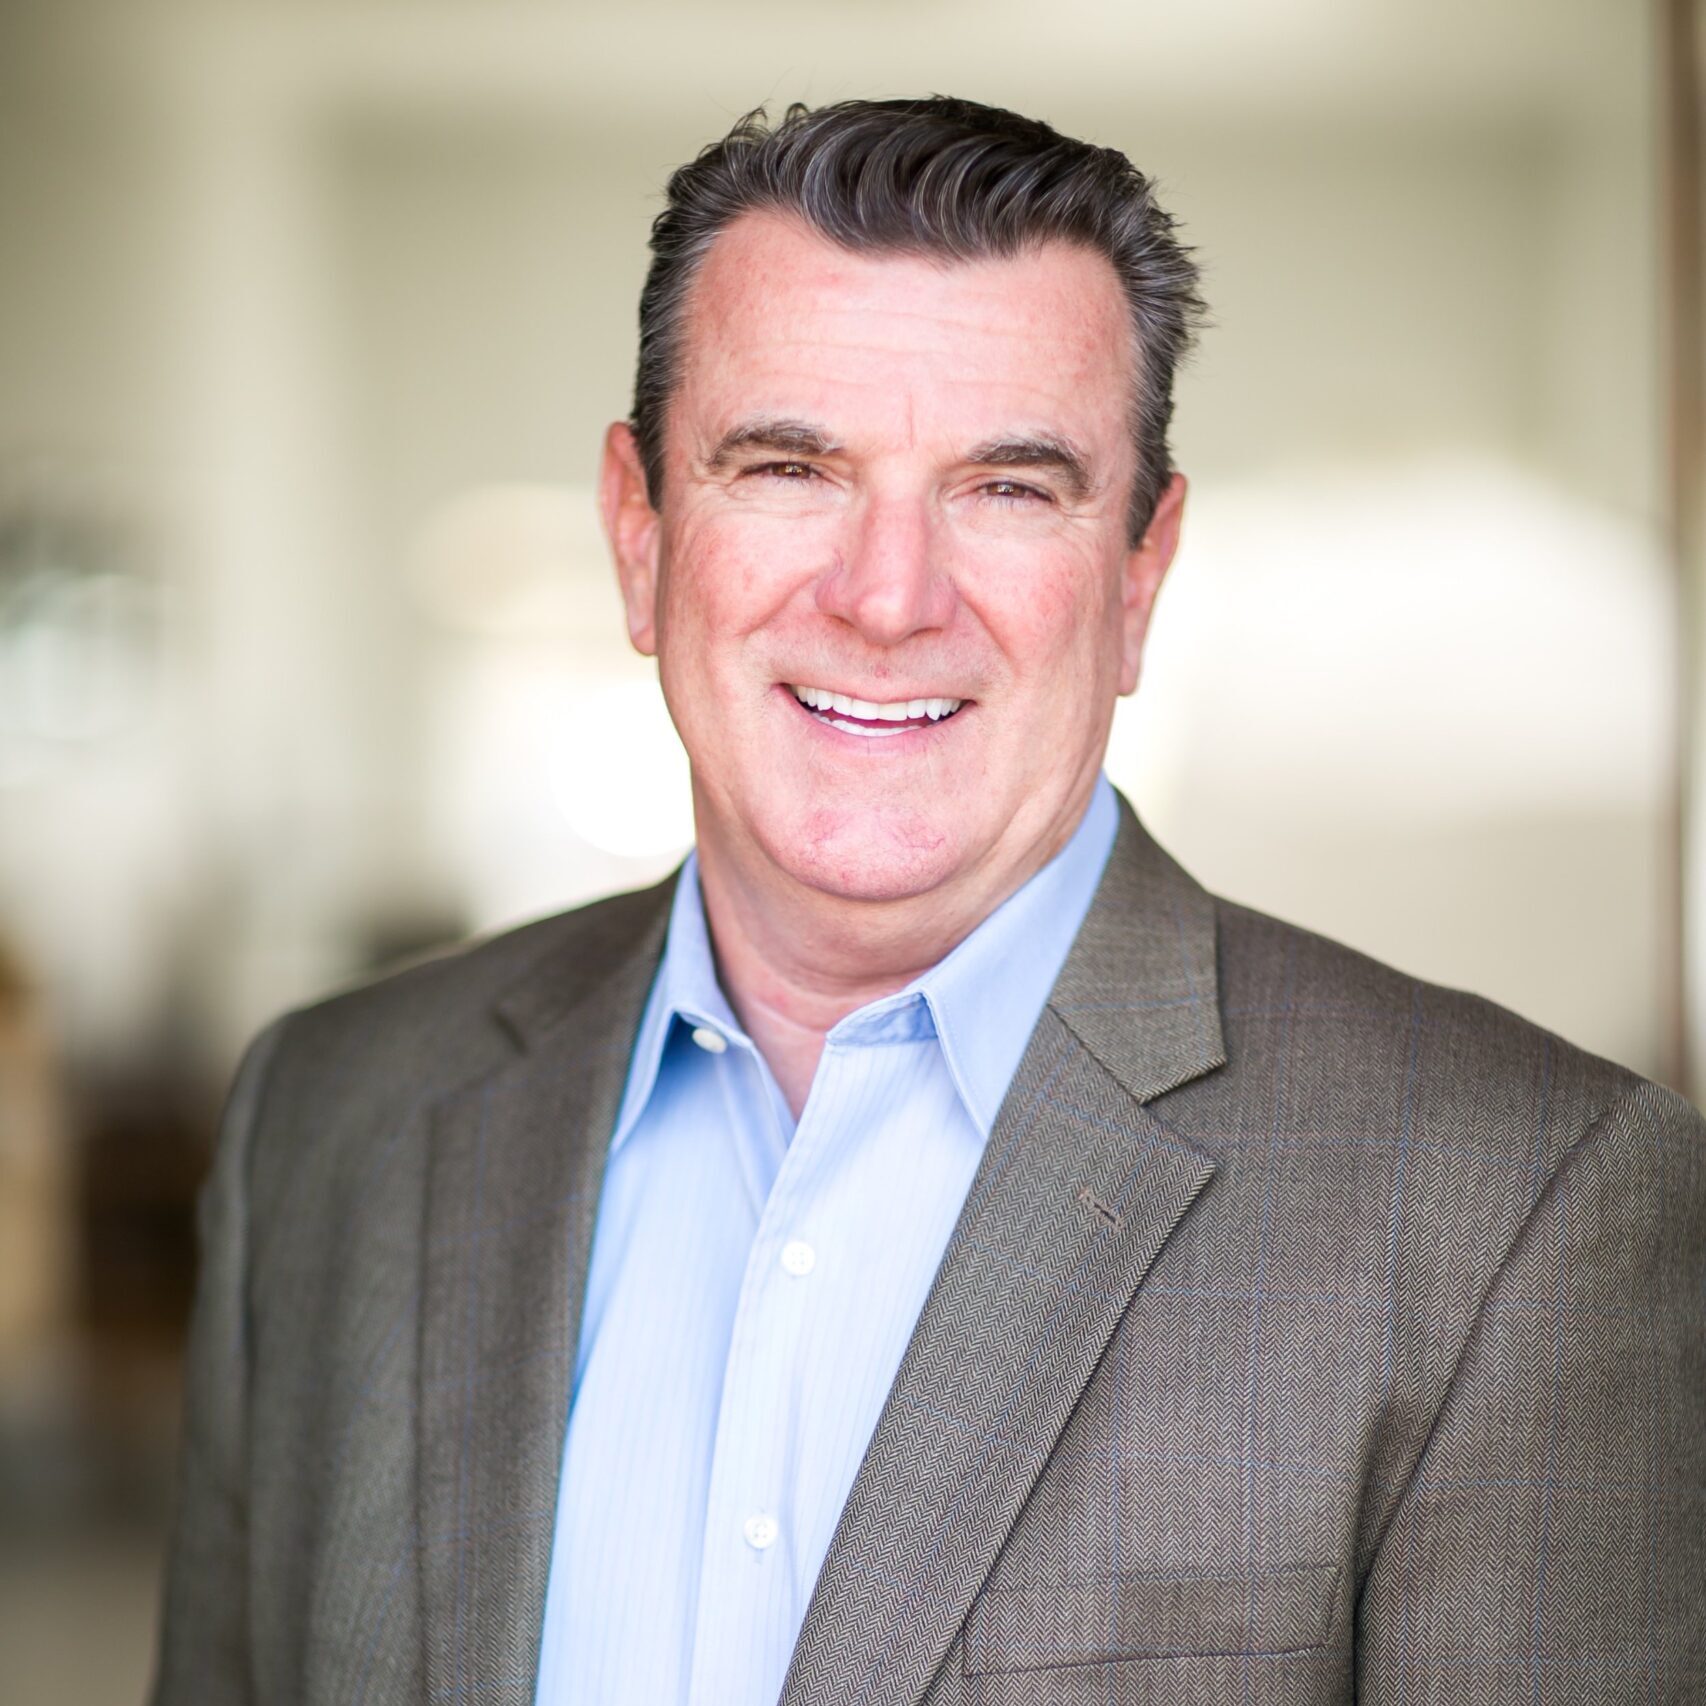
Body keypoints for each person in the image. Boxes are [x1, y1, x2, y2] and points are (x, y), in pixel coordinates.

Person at [151, 97, 1704, 1706]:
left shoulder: (1519, 1210)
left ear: (1136, 578)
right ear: (637, 535)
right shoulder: (328, 1119)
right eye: (787, 466)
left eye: (1007, 488)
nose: (887, 597)